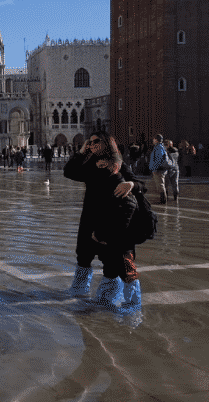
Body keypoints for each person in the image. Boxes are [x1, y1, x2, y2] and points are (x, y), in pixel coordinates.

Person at [63, 131, 146, 311]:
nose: (91, 144)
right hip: (90, 219)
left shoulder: (118, 164)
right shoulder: (89, 163)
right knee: (83, 255)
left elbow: (140, 185)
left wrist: (131, 185)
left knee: (116, 261)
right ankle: (79, 293)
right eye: (89, 142)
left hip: (114, 219)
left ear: (107, 143)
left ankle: (125, 307)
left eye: (95, 141)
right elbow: (68, 171)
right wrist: (82, 152)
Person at [149, 134, 169, 204]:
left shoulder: (158, 147)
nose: (153, 140)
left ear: (156, 140)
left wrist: (155, 169)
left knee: (160, 185)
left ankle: (163, 200)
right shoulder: (160, 147)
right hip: (160, 169)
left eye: (154, 139)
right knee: (161, 184)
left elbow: (158, 159)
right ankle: (163, 199)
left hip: (158, 170)